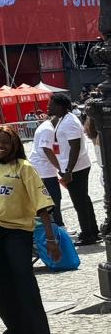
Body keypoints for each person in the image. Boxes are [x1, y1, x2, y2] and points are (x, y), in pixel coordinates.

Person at [0, 126, 59, 334]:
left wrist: (51, 239)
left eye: (5, 142)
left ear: (15, 145)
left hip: (17, 232)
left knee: (24, 282)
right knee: (0, 283)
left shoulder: (25, 168)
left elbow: (42, 204)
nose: (0, 146)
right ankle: (15, 331)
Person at [49, 92, 100, 246]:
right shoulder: (65, 119)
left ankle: (87, 234)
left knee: (79, 202)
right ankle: (92, 230)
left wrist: (68, 170)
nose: (48, 107)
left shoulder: (69, 122)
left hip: (75, 168)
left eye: (51, 104)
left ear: (60, 106)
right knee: (83, 199)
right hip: (77, 166)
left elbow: (75, 147)